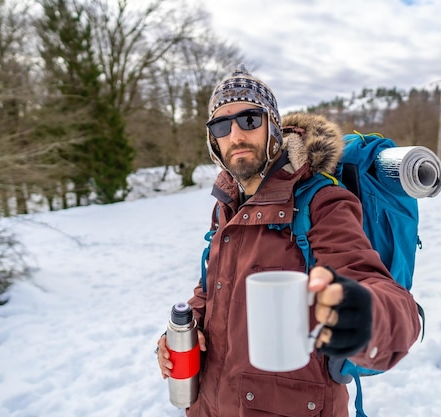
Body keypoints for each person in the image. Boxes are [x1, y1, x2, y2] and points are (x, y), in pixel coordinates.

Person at [156, 66, 421, 417]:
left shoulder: (321, 201)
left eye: (249, 119)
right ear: (213, 141)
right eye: (221, 126)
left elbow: (376, 286)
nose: (235, 134)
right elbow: (214, 288)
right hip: (210, 405)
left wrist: (366, 316)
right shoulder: (227, 204)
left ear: (273, 127)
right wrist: (184, 331)